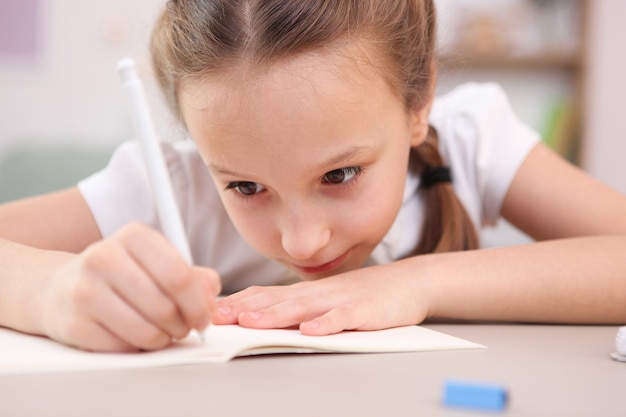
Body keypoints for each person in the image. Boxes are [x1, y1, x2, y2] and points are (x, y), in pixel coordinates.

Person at [1, 0, 626, 353]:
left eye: (341, 173)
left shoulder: (472, 139)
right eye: (245, 187)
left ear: (419, 103)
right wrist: (50, 291)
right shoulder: (170, 185)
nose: (302, 243)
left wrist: (416, 282)